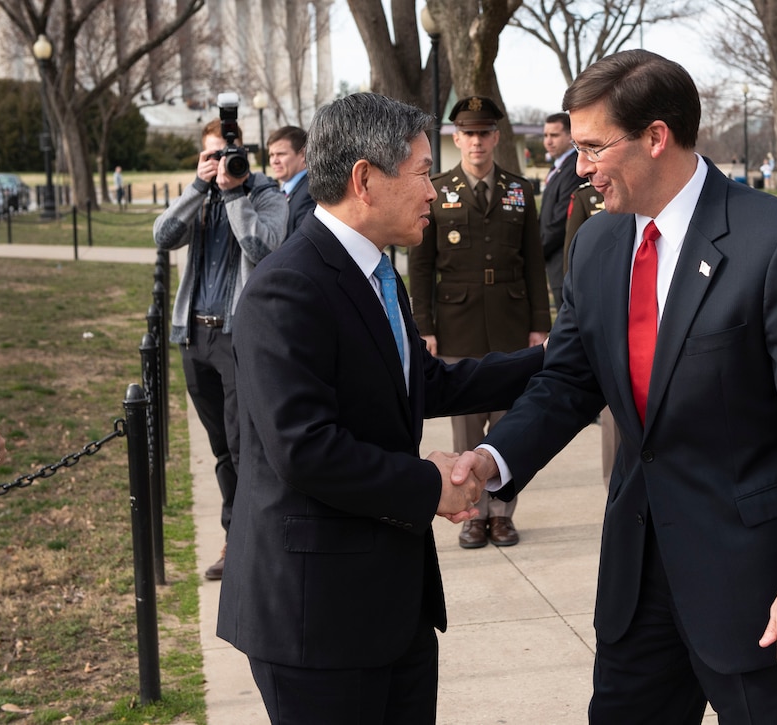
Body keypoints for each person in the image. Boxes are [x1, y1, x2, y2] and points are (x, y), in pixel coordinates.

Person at [449, 49, 777, 724]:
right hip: (637, 587)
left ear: (655, 136)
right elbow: (568, 382)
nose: (581, 168)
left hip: (756, 593)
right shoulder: (598, 246)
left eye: (592, 147)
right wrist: (495, 462)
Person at [215, 91, 545, 725]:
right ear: (365, 180)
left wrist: (557, 359)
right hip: (319, 620)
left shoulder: (376, 272)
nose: (432, 190)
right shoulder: (287, 288)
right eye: (423, 172)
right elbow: (306, 450)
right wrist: (432, 486)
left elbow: (426, 384)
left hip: (392, 609)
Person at [409, 95, 550, 550]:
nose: (476, 141)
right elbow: (421, 265)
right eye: (468, 133)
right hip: (458, 321)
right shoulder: (437, 188)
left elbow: (534, 262)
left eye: (484, 133)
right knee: (467, 427)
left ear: (496, 137)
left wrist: (539, 324)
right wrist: (424, 326)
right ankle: (471, 513)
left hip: (510, 319)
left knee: (510, 423)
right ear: (456, 137)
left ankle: (503, 513)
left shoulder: (519, 189)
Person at [153, 118, 288, 581]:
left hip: (238, 336)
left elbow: (264, 246)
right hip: (196, 336)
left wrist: (233, 195)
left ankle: (245, 540)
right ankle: (241, 533)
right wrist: (198, 186)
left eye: (226, 155)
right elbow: (163, 236)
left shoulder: (265, 195)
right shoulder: (200, 197)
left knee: (242, 442)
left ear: (244, 154)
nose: (220, 164)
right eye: (210, 155)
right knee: (220, 447)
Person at [562, 181, 618, 488]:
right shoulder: (586, 198)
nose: (583, 166)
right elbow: (576, 269)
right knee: (613, 419)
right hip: (607, 322)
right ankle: (615, 489)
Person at [540, 112, 587, 310]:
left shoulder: (574, 168)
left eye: (554, 135)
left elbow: (560, 221)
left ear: (570, 136)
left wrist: (536, 252)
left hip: (563, 260)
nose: (548, 141)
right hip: (555, 262)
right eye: (545, 136)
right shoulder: (557, 168)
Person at [267, 125, 315, 236]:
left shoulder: (310, 193)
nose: (274, 161)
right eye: (271, 155)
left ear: (303, 154)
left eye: (281, 154)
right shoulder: (282, 191)